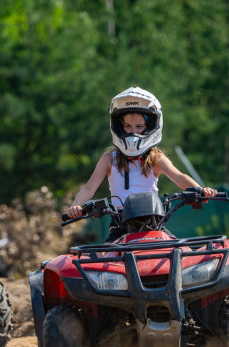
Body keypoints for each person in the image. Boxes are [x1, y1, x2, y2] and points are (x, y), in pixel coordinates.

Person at [67, 86, 218, 242]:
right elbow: (89, 187)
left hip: (154, 224)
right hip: (120, 225)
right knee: (108, 262)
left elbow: (179, 177)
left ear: (150, 127)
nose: (134, 132)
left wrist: (200, 190)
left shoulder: (156, 158)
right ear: (120, 128)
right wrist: (76, 206)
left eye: (139, 127)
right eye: (128, 127)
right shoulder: (109, 158)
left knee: (177, 254)